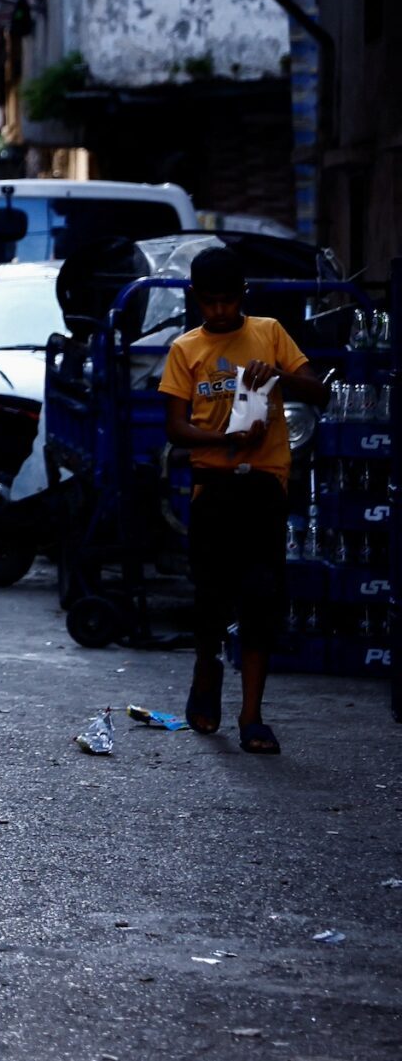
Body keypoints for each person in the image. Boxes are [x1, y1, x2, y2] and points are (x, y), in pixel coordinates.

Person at [159, 246, 331, 755]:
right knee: (211, 597)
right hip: (213, 486)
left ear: (243, 296)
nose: (219, 311)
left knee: (260, 598)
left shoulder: (270, 333)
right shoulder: (184, 350)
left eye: (228, 301)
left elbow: (318, 391)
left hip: (264, 485)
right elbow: (175, 426)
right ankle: (205, 676)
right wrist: (223, 443)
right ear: (196, 300)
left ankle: (252, 715)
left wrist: (277, 377)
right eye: (209, 303)